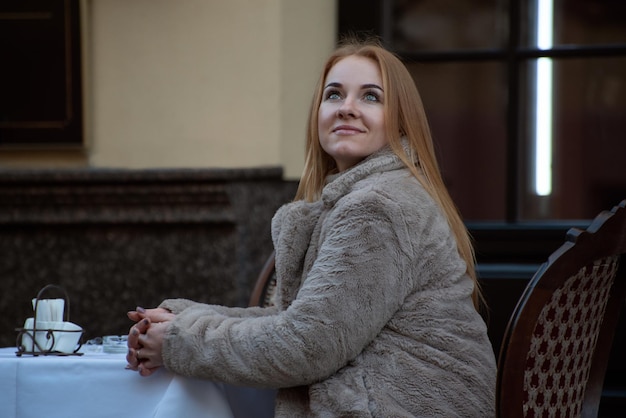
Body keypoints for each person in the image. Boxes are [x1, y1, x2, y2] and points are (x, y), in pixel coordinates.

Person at [126, 39, 497, 417]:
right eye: (334, 95)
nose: (347, 108)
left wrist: (178, 342)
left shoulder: (379, 207)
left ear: (401, 120)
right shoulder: (362, 198)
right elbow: (298, 324)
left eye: (371, 97)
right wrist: (180, 320)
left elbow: (307, 346)